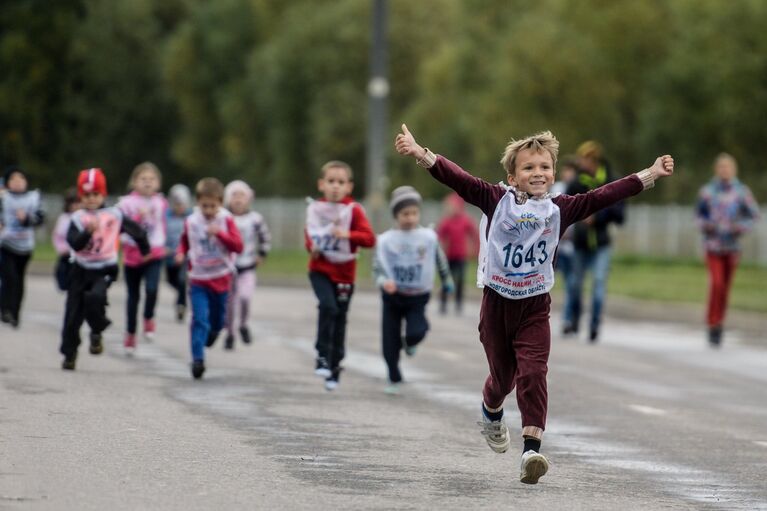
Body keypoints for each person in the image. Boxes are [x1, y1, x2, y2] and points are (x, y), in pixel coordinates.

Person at [395, 124, 674, 485]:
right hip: (496, 304)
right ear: (512, 176)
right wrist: (421, 153)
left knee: (533, 371)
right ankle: (491, 411)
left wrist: (650, 173)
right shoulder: (496, 199)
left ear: (554, 174)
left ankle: (531, 450)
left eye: (544, 167)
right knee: (503, 379)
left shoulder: (562, 209)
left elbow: (606, 194)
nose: (537, 173)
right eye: (528, 168)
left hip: (535, 306)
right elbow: (458, 179)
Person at [60, 168, 149, 370]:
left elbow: (136, 230)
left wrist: (145, 249)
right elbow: (74, 243)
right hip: (80, 269)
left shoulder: (114, 215)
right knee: (73, 315)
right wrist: (86, 232)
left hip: (104, 268)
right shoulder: (77, 218)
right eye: (86, 195)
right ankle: (69, 353)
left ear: (103, 194)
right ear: (81, 196)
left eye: (95, 194)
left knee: (95, 299)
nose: (91, 199)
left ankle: (96, 331)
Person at [374, 186, 453, 395]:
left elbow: (439, 259)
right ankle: (393, 376)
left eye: (414, 213)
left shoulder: (427, 237)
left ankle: (409, 343)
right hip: (392, 295)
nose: (410, 218)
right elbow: (377, 269)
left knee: (417, 331)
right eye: (405, 214)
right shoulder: (386, 241)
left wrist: (447, 280)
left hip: (418, 295)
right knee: (389, 340)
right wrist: (384, 282)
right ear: (396, 215)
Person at [305, 161, 376, 391]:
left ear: (349, 187)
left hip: (345, 273)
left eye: (341, 182)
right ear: (321, 184)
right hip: (321, 269)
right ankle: (322, 354)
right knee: (328, 307)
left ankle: (335, 365)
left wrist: (346, 234)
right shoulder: (315, 209)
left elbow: (369, 239)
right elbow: (310, 235)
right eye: (331, 181)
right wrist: (312, 247)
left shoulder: (353, 210)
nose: (335, 186)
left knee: (340, 317)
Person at [174, 178, 243, 379]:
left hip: (221, 277)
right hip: (198, 279)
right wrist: (180, 253)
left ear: (220, 203)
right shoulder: (192, 221)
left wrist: (220, 234)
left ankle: (212, 335)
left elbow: (238, 246)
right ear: (197, 203)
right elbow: (184, 242)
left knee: (218, 321)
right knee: (199, 319)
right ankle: (197, 360)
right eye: (204, 205)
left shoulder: (226, 220)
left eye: (213, 206)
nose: (208, 210)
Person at [562, 141, 626, 342]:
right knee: (575, 285)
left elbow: (620, 214)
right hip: (580, 244)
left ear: (594, 160)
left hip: (601, 243)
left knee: (598, 284)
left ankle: (595, 325)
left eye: (586, 160)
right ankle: (573, 320)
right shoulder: (576, 183)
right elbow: (563, 208)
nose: (583, 164)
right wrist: (579, 217)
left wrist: (596, 217)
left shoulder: (611, 180)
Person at [696, 153, 760, 347]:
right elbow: (698, 217)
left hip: (732, 248)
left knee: (725, 287)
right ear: (717, 169)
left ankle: (720, 323)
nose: (725, 171)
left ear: (734, 170)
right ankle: (712, 322)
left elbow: (754, 216)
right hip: (713, 246)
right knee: (716, 284)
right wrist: (708, 225)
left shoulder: (742, 192)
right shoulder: (707, 192)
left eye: (728, 167)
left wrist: (738, 227)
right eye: (721, 167)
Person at [117, 162, 168, 352]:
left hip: (154, 252)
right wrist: (138, 217)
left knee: (153, 289)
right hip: (133, 254)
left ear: (158, 183)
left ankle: (148, 316)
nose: (147, 183)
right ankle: (130, 333)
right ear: (134, 182)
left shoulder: (161, 203)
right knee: (133, 296)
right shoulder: (126, 203)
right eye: (143, 179)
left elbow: (164, 225)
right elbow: (122, 228)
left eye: (152, 179)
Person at [222, 180, 271, 350]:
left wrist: (262, 254)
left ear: (248, 199)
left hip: (247, 266)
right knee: (230, 303)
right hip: (228, 267)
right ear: (228, 199)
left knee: (245, 297)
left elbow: (265, 237)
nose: (238, 199)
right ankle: (230, 334)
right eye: (234, 195)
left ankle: (243, 324)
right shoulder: (224, 217)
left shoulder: (255, 219)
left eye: (241, 195)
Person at [0, 166, 45, 328]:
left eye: (21, 178)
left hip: (25, 246)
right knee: (9, 277)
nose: (18, 182)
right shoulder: (3, 198)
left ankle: (15, 313)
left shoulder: (33, 197)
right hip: (6, 244)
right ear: (7, 183)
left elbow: (40, 219)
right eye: (13, 179)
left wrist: (26, 219)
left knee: (19, 280)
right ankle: (5, 309)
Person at [436, 192, 478, 315]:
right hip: (448, 256)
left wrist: (475, 249)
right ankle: (443, 303)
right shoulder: (446, 221)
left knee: (460, 281)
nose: (450, 209)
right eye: (449, 206)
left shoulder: (465, 220)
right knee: (446, 280)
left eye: (453, 206)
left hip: (460, 256)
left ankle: (458, 303)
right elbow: (439, 236)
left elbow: (474, 234)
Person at [550, 157, 578, 332]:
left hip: (572, 248)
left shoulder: (580, 190)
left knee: (571, 284)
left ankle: (568, 320)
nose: (569, 174)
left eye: (572, 171)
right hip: (555, 246)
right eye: (566, 170)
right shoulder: (557, 189)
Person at [165, 184, 192, 322]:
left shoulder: (191, 217)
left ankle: (181, 304)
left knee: (182, 280)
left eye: (182, 204)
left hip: (184, 256)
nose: (180, 207)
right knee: (171, 280)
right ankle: (183, 294)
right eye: (177, 204)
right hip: (169, 256)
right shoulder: (166, 217)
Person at [52, 187, 80, 292]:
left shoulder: (84, 217)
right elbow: (57, 236)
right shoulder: (64, 218)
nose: (75, 206)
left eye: (78, 203)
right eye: (72, 203)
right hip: (66, 255)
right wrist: (62, 249)